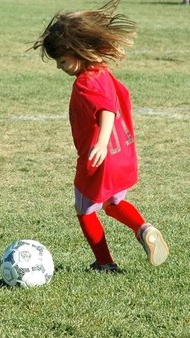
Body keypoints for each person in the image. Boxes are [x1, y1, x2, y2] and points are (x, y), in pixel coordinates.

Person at [30, 0, 169, 272]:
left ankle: (105, 263)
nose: (60, 67)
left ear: (76, 51)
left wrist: (102, 143)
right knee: (114, 202)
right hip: (123, 157)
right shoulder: (102, 72)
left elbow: (107, 110)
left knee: (86, 210)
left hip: (100, 160)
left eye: (62, 61)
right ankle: (144, 229)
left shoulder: (85, 83)